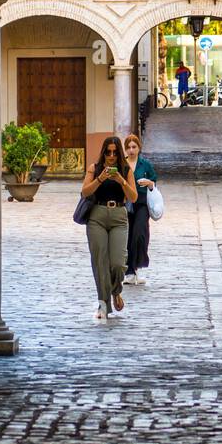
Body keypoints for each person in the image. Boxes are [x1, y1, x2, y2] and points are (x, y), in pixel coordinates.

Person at [80, 135, 137, 322]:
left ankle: (116, 291)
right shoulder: (94, 169)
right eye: (108, 152)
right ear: (103, 152)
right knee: (100, 262)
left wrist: (121, 180)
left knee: (118, 263)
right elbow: (85, 191)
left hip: (119, 216)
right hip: (96, 217)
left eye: (114, 152)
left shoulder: (126, 170)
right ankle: (103, 303)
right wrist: (100, 178)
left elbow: (133, 197)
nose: (111, 156)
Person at [123, 134, 157, 285]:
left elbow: (154, 182)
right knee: (127, 237)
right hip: (126, 204)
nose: (131, 150)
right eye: (129, 147)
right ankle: (130, 271)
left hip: (142, 203)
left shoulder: (145, 164)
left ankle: (138, 266)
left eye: (134, 147)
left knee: (140, 234)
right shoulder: (122, 165)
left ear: (139, 148)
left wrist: (149, 183)